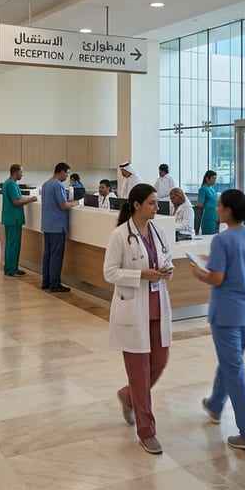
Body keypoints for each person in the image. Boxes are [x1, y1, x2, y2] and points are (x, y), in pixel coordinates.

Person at [191, 189, 245, 452]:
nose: (216, 210)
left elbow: (216, 279)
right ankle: (214, 404)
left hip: (226, 315)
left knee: (234, 370)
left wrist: (199, 273)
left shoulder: (222, 240)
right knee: (230, 362)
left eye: (220, 206)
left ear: (228, 211)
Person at [103, 184, 174, 454]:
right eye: (153, 203)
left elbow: (167, 257)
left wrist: (167, 271)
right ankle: (147, 431)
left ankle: (127, 396)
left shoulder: (158, 231)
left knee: (160, 360)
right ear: (136, 205)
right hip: (133, 309)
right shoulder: (120, 235)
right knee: (140, 373)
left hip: (156, 305)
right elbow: (109, 273)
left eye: (157, 203)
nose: (157, 207)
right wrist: (142, 275)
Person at [41, 162, 80, 292]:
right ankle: (55, 284)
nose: (67, 176)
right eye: (67, 173)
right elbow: (62, 205)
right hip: (57, 226)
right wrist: (74, 203)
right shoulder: (57, 185)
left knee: (48, 254)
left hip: (47, 225)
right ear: (62, 172)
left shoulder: (46, 184)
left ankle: (46, 281)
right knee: (56, 255)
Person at [1, 164, 38, 277]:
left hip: (10, 218)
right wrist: (30, 199)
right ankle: (12, 268)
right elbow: (16, 202)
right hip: (14, 219)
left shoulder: (8, 183)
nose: (22, 174)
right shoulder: (11, 184)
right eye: (21, 172)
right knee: (14, 245)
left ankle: (9, 267)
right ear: (15, 172)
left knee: (10, 244)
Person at [197, 170, 219, 235]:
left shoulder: (212, 189)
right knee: (208, 236)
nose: (214, 180)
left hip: (214, 216)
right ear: (207, 178)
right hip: (207, 217)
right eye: (213, 178)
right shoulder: (203, 189)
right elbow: (200, 204)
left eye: (215, 178)